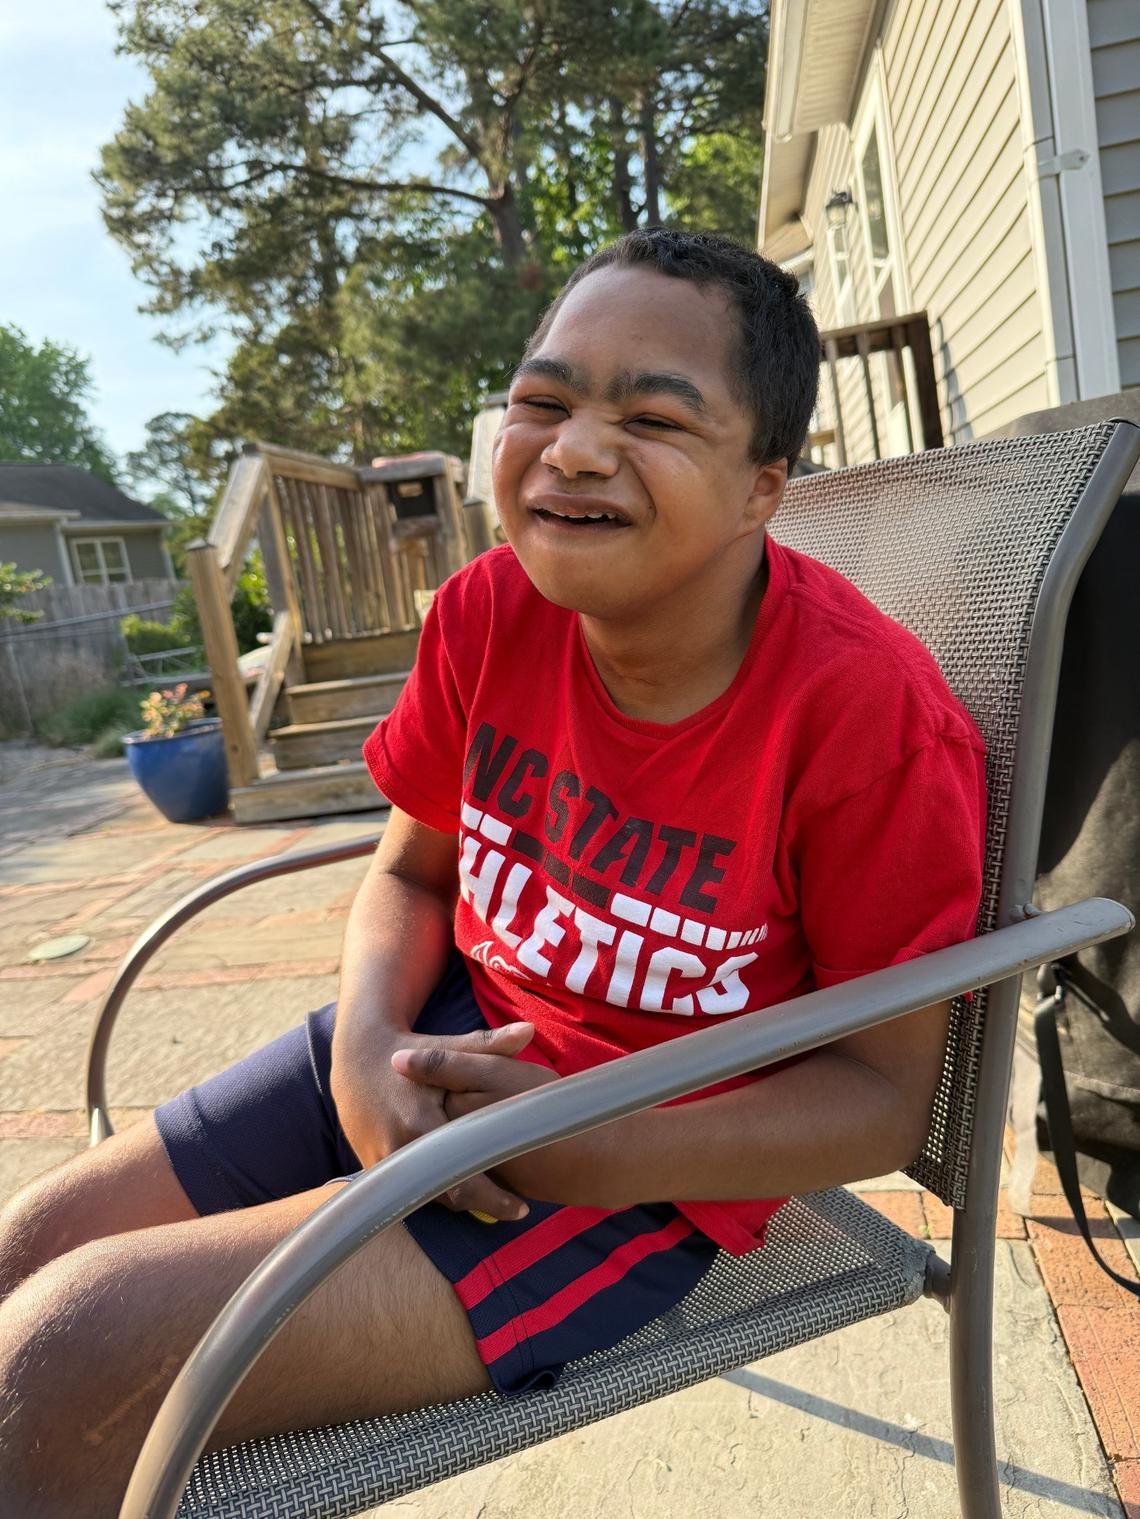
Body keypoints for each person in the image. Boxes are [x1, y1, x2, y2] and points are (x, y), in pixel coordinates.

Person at [0, 229, 986, 1517]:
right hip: (433, 1043)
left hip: (652, 1159)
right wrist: (364, 1046)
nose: (573, 448)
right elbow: (413, 875)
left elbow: (882, 1102)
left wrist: (574, 1144)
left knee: (75, 1348)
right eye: (544, 401)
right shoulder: (485, 612)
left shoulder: (868, 721)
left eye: (651, 416)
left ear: (763, 486)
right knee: (27, 1248)